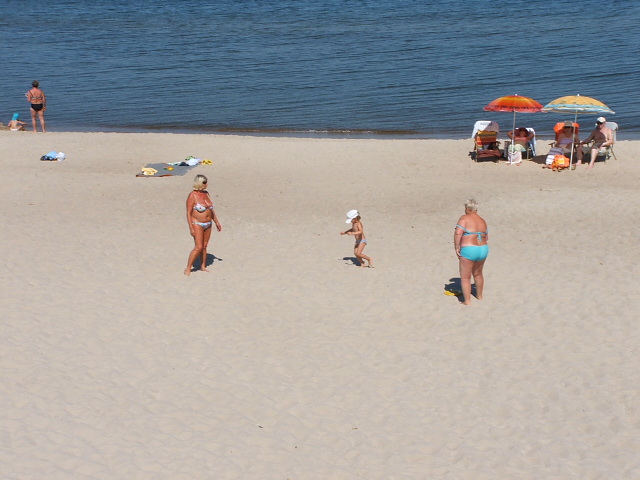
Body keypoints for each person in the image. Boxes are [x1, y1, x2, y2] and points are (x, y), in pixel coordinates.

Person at [184, 174, 222, 276]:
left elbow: (211, 210)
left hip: (208, 224)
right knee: (198, 247)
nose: (206, 184)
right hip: (197, 224)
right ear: (199, 183)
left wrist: (217, 222)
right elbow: (188, 213)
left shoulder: (206, 194)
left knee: (204, 246)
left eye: (206, 182)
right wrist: (191, 228)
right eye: (204, 183)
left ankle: (203, 266)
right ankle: (188, 268)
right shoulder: (192, 196)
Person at [454, 199, 489, 306]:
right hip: (483, 248)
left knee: (465, 277)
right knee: (478, 273)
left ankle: (467, 301)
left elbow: (458, 233)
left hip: (469, 249)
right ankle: (479, 296)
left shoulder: (464, 218)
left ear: (467, 208)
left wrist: (457, 246)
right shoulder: (482, 220)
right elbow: (486, 237)